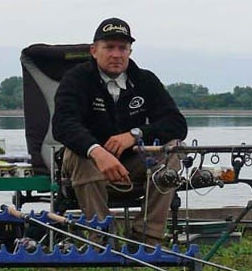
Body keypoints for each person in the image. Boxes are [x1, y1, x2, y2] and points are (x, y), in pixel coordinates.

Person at [52, 18, 187, 246]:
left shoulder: (145, 80)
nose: (116, 54)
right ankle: (103, 237)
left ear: (130, 51)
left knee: (174, 149)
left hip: (132, 163)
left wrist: (135, 134)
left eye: (122, 48)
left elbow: (176, 124)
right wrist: (97, 152)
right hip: (87, 163)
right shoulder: (76, 79)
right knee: (78, 153)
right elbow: (63, 124)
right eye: (109, 47)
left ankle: (147, 237)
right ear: (94, 51)